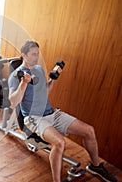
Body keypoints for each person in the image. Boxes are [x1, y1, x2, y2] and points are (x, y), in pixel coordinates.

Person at [8, 40, 117, 182]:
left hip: (51, 113)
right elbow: (13, 102)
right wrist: (23, 84)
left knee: (89, 130)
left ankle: (95, 166)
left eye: (38, 54)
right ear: (23, 55)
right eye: (33, 55)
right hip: (33, 117)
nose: (36, 58)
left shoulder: (39, 69)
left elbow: (45, 92)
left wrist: (53, 79)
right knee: (60, 143)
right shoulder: (16, 76)